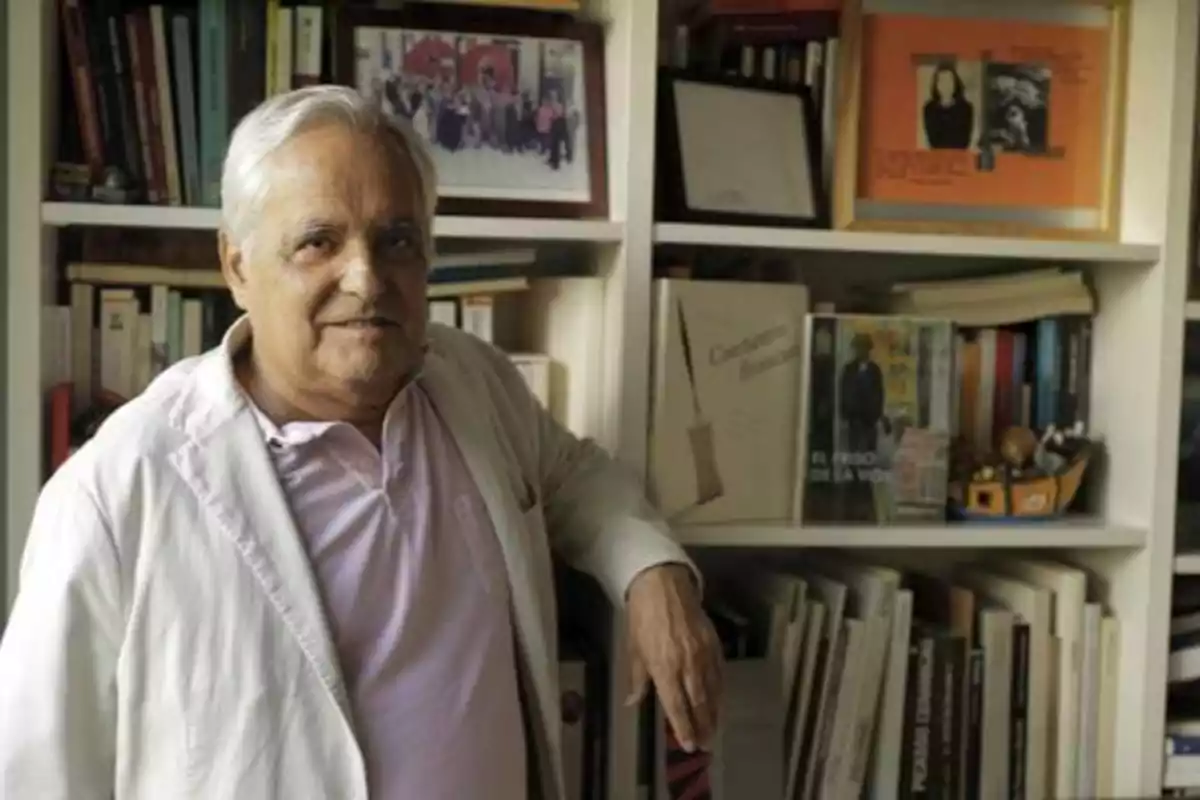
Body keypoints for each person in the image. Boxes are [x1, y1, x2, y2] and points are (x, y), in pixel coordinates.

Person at [0, 85, 722, 799]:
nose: (367, 278)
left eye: (397, 241)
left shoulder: (472, 381)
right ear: (237, 266)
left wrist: (651, 572)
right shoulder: (120, 485)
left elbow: (576, 478)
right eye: (319, 241)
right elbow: (39, 771)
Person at [922, 62, 975, 150]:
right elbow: (933, 141)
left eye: (949, 81)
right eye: (942, 81)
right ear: (936, 84)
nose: (945, 85)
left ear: (955, 82)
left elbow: (964, 141)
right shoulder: (929, 109)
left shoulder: (965, 108)